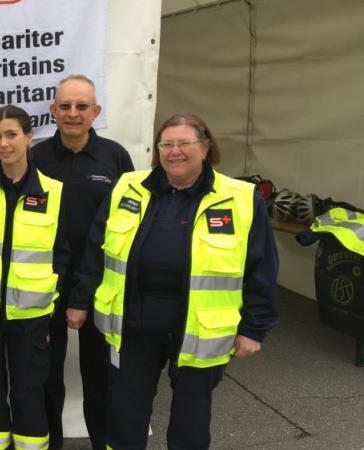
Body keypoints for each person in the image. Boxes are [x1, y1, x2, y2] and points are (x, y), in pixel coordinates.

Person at [71, 112, 279, 449]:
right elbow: (96, 250)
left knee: (190, 422)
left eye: (184, 143)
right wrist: (80, 299)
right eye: (166, 144)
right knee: (124, 414)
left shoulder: (241, 198)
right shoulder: (128, 187)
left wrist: (254, 328)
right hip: (133, 326)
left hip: (199, 331)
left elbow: (262, 268)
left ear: (205, 146)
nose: (174, 152)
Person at [31, 74, 134, 449]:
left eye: (82, 106)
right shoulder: (35, 158)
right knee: (46, 376)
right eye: (65, 106)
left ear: (96, 111)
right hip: (45, 285)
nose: (73, 114)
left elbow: (131, 222)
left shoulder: (115, 157)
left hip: (101, 286)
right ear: (52, 110)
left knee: (100, 378)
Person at [0, 105, 69, 450]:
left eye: (11, 135)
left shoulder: (53, 191)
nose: (4, 144)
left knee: (28, 392)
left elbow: (63, 253)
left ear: (28, 137)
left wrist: (52, 297)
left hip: (31, 317)